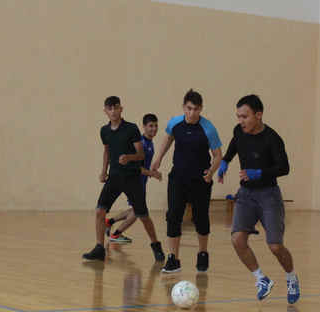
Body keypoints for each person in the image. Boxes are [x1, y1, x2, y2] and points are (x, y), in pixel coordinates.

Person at [218, 95, 298, 302]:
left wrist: (260, 173)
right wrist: (225, 162)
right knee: (237, 239)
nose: (241, 121)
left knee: (275, 246)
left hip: (268, 195)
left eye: (245, 116)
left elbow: (284, 168)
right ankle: (261, 279)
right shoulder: (239, 131)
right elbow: (234, 146)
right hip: (246, 195)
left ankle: (291, 278)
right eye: (238, 116)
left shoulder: (272, 138)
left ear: (258, 115)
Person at [82, 96, 165, 262]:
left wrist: (129, 157)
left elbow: (140, 155)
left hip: (131, 178)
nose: (113, 111)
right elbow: (107, 151)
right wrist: (103, 171)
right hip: (114, 178)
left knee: (143, 215)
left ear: (121, 109)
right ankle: (99, 248)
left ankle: (156, 245)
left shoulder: (131, 129)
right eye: (110, 108)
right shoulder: (104, 131)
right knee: (99, 211)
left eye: (116, 108)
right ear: (105, 111)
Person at [150, 89, 223, 273]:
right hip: (178, 178)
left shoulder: (208, 128)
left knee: (201, 217)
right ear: (184, 107)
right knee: (173, 216)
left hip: (200, 180)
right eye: (189, 108)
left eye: (196, 109)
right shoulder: (175, 123)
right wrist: (158, 159)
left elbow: (218, 155)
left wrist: (211, 172)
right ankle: (173, 259)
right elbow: (168, 139)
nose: (192, 113)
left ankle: (203, 253)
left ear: (201, 109)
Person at [106, 113, 163, 243]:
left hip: (141, 182)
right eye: (151, 126)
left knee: (134, 209)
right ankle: (115, 235)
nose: (154, 129)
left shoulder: (149, 142)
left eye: (156, 126)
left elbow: (144, 165)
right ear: (144, 127)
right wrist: (152, 173)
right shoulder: (141, 144)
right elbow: (135, 167)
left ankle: (110, 222)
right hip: (135, 182)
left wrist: (152, 170)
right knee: (138, 211)